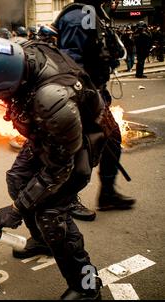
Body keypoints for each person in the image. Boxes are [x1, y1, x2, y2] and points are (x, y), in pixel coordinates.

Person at [0, 36, 105, 299]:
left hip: (75, 149)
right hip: (49, 136)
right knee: (17, 179)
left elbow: (59, 169)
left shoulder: (52, 100)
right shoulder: (18, 54)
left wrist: (17, 210)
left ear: (6, 85)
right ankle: (42, 241)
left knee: (51, 213)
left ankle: (85, 287)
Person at [53, 0, 135, 221]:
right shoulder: (76, 17)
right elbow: (70, 63)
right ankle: (67, 201)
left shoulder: (96, 15)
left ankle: (107, 194)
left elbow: (112, 50)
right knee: (79, 151)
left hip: (97, 93)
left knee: (112, 140)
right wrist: (82, 98)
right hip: (84, 96)